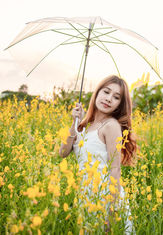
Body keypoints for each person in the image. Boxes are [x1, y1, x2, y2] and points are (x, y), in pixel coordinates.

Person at [59, 75, 137, 234]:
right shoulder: (83, 124)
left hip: (105, 195)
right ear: (97, 92)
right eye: (106, 92)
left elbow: (115, 169)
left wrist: (112, 211)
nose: (109, 99)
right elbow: (63, 152)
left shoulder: (111, 126)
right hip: (86, 193)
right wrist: (74, 123)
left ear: (119, 105)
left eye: (116, 97)